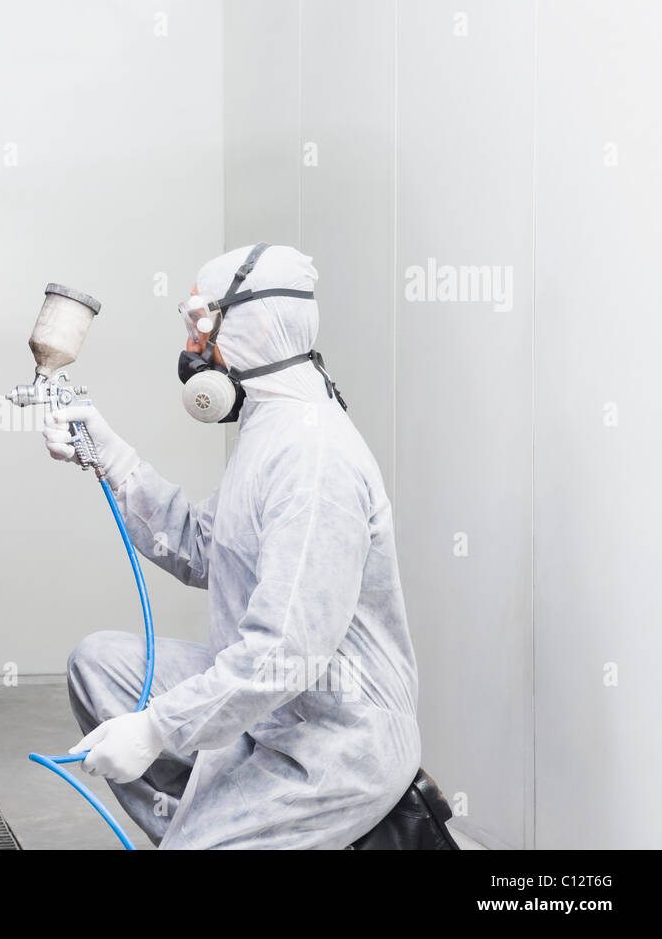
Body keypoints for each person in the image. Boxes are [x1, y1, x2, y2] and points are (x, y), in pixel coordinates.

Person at [42, 243, 421, 849]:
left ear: (247, 322)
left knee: (172, 766)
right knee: (101, 664)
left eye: (201, 321)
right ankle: (203, 825)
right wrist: (114, 458)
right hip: (273, 709)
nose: (193, 344)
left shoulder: (312, 461)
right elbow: (203, 547)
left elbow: (284, 654)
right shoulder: (269, 424)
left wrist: (155, 729)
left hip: (331, 742)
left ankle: (219, 835)